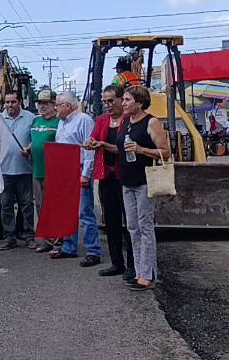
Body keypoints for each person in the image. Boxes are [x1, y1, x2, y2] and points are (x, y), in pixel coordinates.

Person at [117, 86, 170, 291]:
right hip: (127, 181)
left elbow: (165, 152)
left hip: (145, 180)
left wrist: (141, 150)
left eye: (128, 100)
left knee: (145, 226)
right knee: (133, 227)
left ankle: (147, 275)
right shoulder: (126, 123)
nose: (124, 103)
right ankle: (141, 271)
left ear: (139, 102)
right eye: (124, 100)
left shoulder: (152, 122)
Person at [85, 85, 135, 278]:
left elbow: (127, 147)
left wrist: (105, 145)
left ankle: (133, 264)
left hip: (127, 177)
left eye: (111, 101)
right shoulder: (102, 120)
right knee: (111, 222)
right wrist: (91, 142)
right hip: (107, 176)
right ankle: (117, 263)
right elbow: (94, 137)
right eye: (105, 101)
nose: (108, 105)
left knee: (130, 222)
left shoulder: (130, 121)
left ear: (122, 100)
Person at [50, 92, 101, 267]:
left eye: (58, 105)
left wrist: (86, 173)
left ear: (67, 106)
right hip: (65, 170)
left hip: (78, 169)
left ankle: (93, 251)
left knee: (84, 212)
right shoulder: (62, 122)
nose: (55, 108)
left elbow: (89, 148)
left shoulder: (83, 120)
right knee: (67, 211)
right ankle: (69, 246)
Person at [0, 91, 36, 251]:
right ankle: (9, 237)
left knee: (26, 205)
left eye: (13, 102)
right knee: (5, 205)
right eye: (7, 102)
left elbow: (35, 139)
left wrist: (29, 149)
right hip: (4, 170)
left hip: (24, 170)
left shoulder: (31, 118)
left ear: (20, 101)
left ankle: (28, 236)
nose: (10, 105)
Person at [28, 89, 60, 254]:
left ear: (54, 104)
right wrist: (28, 148)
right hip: (37, 171)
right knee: (40, 207)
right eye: (40, 103)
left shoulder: (59, 123)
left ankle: (58, 241)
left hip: (52, 173)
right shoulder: (35, 121)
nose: (42, 106)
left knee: (53, 207)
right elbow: (33, 141)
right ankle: (46, 240)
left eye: (46, 103)